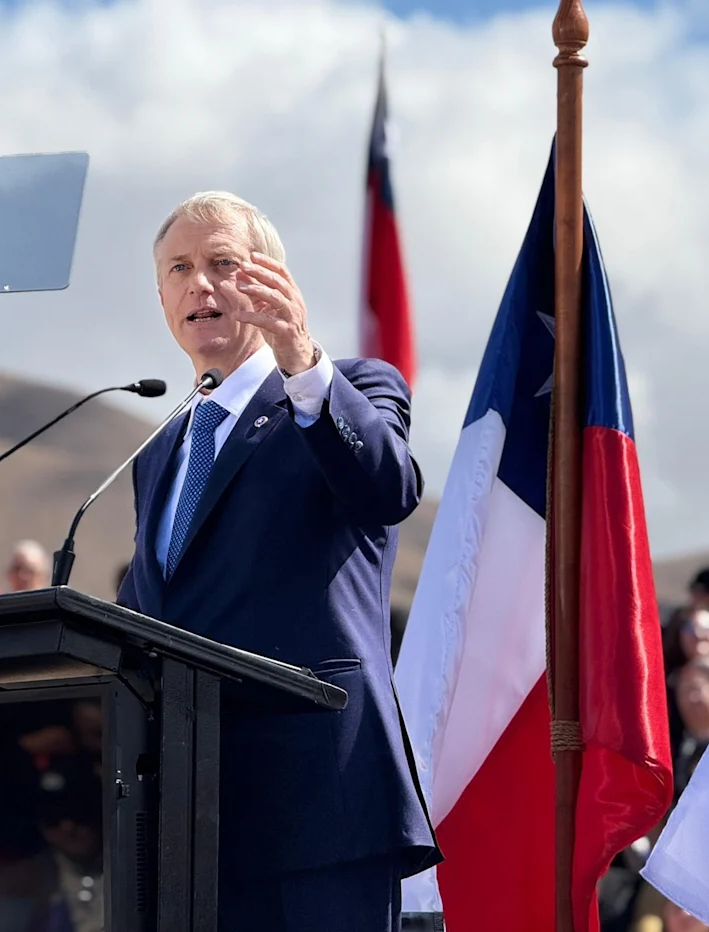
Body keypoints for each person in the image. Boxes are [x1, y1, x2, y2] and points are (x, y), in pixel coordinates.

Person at [116, 191, 439, 930]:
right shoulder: (159, 451)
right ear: (162, 295)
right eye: (180, 269)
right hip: (190, 816)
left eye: (223, 263)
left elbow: (388, 489)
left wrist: (302, 360)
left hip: (319, 807)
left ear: (270, 280)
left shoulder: (350, 387)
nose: (200, 284)